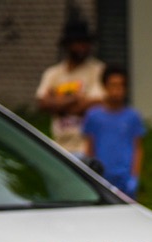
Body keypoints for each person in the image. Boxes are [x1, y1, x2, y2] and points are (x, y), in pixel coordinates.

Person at [34, 16, 104, 157]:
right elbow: (42, 103)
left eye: (86, 43)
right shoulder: (53, 73)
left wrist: (57, 102)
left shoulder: (98, 70)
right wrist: (75, 99)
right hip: (59, 146)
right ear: (67, 45)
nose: (83, 47)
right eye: (78, 43)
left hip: (88, 147)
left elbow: (97, 103)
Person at [81, 66, 145, 196]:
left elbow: (138, 148)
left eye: (121, 86)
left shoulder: (133, 116)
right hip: (101, 177)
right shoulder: (93, 116)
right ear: (104, 86)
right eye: (113, 85)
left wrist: (134, 176)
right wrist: (89, 173)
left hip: (124, 178)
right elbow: (89, 147)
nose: (116, 90)